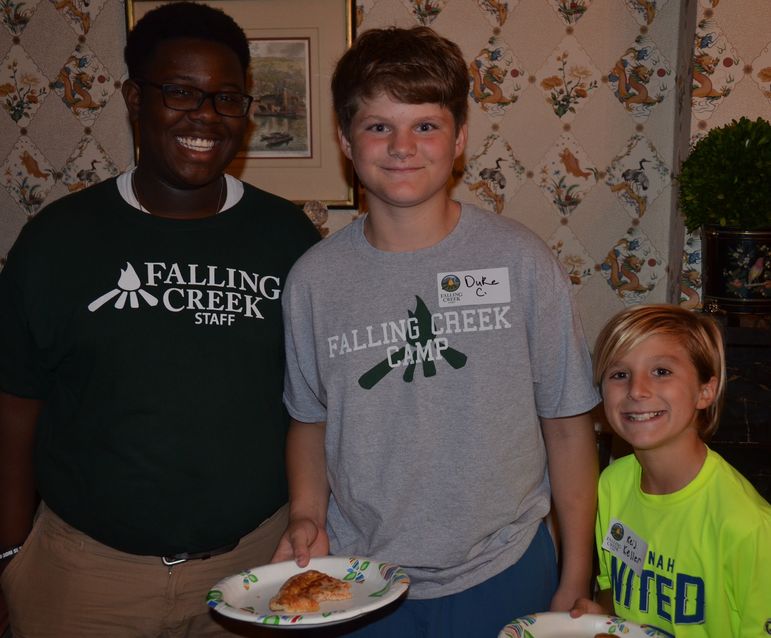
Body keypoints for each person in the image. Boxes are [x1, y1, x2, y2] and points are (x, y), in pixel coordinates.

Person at [0, 2, 319, 636]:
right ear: (131, 97)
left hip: (254, 569)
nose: (205, 115)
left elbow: (315, 407)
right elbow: (13, 416)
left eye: (227, 99)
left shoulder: (289, 240)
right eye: (180, 92)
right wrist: (8, 556)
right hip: (85, 579)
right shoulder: (58, 241)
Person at [273, 26, 600, 637]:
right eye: (378, 126)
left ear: (460, 138)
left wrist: (575, 575)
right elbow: (309, 422)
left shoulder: (524, 264)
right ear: (346, 141)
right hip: (359, 575)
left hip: (505, 567)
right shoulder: (313, 282)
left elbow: (567, 426)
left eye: (425, 125)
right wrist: (306, 513)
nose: (402, 146)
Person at [571, 304, 771, 636]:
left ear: (705, 390)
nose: (637, 390)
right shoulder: (611, 486)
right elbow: (612, 592)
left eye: (661, 371)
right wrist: (602, 618)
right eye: (619, 374)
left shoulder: (748, 526)